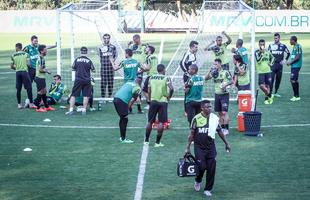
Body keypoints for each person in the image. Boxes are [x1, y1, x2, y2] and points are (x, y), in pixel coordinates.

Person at [185, 100, 231, 197]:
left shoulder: (214, 118)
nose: (209, 108)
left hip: (211, 148)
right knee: (201, 167)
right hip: (199, 148)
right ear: (202, 108)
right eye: (207, 107)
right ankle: (198, 180)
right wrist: (188, 148)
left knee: (211, 168)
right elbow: (191, 134)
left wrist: (226, 143)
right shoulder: (196, 119)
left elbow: (219, 131)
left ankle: (208, 189)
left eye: (210, 107)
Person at [144, 64, 174, 147]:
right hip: (163, 102)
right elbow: (171, 88)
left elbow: (148, 90)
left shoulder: (151, 77)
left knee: (150, 121)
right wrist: (169, 97)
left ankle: (146, 141)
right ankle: (157, 142)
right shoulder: (166, 78)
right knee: (161, 122)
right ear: (163, 70)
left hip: (153, 101)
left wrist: (149, 99)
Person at [111, 48, 144, 113]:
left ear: (127, 54)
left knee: (128, 96)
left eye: (125, 53)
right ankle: (139, 109)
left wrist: (112, 61)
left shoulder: (124, 62)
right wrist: (139, 72)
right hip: (134, 81)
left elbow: (115, 68)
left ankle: (129, 109)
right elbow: (144, 68)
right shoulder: (136, 61)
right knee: (136, 95)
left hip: (127, 82)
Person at [206, 59, 233, 135]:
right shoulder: (214, 73)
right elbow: (206, 78)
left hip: (224, 94)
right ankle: (221, 128)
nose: (215, 66)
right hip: (217, 94)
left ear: (220, 64)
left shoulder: (225, 72)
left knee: (224, 112)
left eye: (216, 64)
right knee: (220, 113)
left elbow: (232, 81)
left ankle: (226, 129)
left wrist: (226, 84)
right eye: (214, 64)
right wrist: (209, 71)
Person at [66, 47, 95, 115]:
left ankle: (71, 110)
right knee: (86, 95)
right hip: (87, 80)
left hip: (78, 79)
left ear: (80, 52)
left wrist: (79, 70)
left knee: (73, 95)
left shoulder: (77, 60)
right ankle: (84, 110)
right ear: (86, 52)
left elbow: (73, 68)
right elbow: (93, 70)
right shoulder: (89, 60)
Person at [113, 77, 142, 143]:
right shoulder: (137, 87)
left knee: (122, 118)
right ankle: (123, 139)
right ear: (140, 82)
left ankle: (122, 137)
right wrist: (128, 107)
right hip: (121, 101)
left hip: (115, 98)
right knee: (125, 119)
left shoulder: (128, 82)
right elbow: (133, 99)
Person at [11, 43, 36, 109]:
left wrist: (16, 67)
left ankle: (19, 104)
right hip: (25, 72)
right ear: (21, 47)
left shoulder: (13, 55)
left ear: (16, 47)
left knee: (18, 89)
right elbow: (29, 64)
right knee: (29, 88)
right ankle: (31, 104)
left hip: (18, 73)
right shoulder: (26, 54)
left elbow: (11, 66)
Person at [268, 33, 290, 97]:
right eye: (274, 38)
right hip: (273, 65)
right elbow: (268, 54)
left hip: (280, 65)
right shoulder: (271, 45)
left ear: (279, 38)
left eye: (276, 38)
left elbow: (288, 53)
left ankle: (276, 92)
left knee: (278, 79)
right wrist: (269, 62)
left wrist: (285, 60)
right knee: (271, 79)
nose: (275, 39)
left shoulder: (283, 46)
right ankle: (271, 93)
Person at [34, 45, 55, 112]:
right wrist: (47, 71)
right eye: (45, 50)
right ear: (41, 51)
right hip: (39, 77)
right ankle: (37, 107)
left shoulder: (42, 58)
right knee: (40, 92)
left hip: (41, 77)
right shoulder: (41, 59)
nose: (46, 51)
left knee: (44, 91)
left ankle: (46, 106)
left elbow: (42, 68)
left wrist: (46, 70)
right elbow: (40, 70)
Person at [255, 39, 275, 105]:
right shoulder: (257, 52)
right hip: (261, 72)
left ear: (264, 44)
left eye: (263, 44)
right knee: (261, 86)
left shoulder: (267, 51)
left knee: (267, 85)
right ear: (259, 45)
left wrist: (271, 63)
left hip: (268, 71)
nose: (262, 46)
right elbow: (258, 60)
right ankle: (270, 95)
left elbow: (273, 58)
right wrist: (262, 53)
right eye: (261, 44)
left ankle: (267, 99)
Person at [98, 33, 117, 99]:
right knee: (103, 82)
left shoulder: (113, 47)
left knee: (110, 82)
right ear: (103, 39)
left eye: (107, 38)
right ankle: (103, 96)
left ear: (109, 38)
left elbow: (115, 56)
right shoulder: (100, 47)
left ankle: (110, 96)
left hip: (111, 67)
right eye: (105, 38)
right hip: (103, 67)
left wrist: (112, 62)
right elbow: (100, 56)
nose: (106, 39)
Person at [287, 35, 302, 102]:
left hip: (296, 66)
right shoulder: (295, 47)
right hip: (294, 66)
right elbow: (294, 56)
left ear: (293, 40)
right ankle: (297, 95)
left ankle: (296, 96)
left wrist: (290, 62)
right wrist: (291, 63)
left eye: (290, 40)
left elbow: (298, 57)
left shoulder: (298, 46)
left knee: (292, 80)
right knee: (294, 80)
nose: (290, 41)